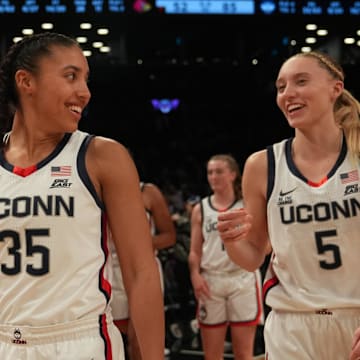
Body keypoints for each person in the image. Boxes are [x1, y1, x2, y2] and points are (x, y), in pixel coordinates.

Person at [0, 32, 164, 359]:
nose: (85, 93)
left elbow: (140, 272)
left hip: (80, 341)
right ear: (25, 81)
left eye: (86, 79)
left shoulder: (102, 156)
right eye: (71, 76)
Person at [217, 50, 360, 360]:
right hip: (291, 324)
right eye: (281, 87)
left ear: (335, 89)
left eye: (301, 81)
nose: (288, 94)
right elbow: (253, 256)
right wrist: (231, 242)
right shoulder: (262, 165)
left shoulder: (357, 155)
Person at [188, 154, 263, 360]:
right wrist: (195, 274)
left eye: (219, 171)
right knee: (212, 355)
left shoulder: (246, 205)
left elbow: (259, 243)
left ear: (232, 175)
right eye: (210, 172)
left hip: (242, 277)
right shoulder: (200, 209)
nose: (213, 176)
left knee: (243, 353)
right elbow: (195, 251)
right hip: (211, 279)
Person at [111, 181, 176, 359]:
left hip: (142, 267)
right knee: (109, 341)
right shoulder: (92, 189)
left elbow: (169, 236)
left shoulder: (147, 191)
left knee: (140, 344)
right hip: (108, 268)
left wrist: (135, 245)